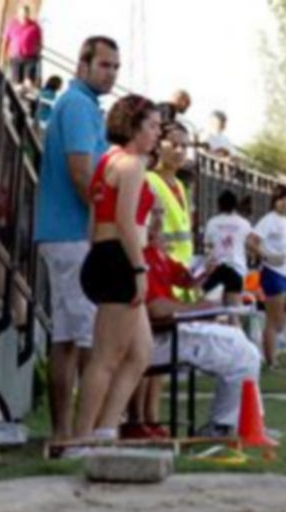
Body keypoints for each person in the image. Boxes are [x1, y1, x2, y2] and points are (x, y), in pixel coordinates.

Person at [34, 35, 119, 442]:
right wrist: (108, 223)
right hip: (74, 235)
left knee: (67, 339)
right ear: (82, 65)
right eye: (105, 65)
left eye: (116, 67)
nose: (112, 73)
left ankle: (64, 434)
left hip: (63, 234)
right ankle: (83, 435)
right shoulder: (78, 106)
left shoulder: (79, 106)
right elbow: (82, 173)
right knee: (89, 339)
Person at [127, 211, 262, 438]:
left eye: (160, 213)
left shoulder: (155, 253)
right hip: (162, 336)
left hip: (172, 330)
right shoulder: (140, 256)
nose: (160, 221)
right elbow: (155, 308)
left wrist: (202, 276)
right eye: (154, 214)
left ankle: (231, 422)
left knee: (242, 345)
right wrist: (198, 309)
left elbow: (184, 278)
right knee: (242, 351)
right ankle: (225, 424)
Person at [73, 94, 161, 442]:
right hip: (120, 260)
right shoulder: (131, 163)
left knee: (140, 353)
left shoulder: (106, 160)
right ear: (133, 127)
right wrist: (138, 270)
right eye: (152, 126)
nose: (157, 134)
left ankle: (106, 428)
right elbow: (124, 220)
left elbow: (94, 220)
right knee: (106, 357)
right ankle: (79, 439)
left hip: (105, 255)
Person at [247, 185, 286, 372]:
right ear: (274, 202)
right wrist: (266, 256)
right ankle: (271, 362)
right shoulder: (269, 220)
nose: (285, 203)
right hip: (273, 273)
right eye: (281, 199)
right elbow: (251, 241)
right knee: (274, 321)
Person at [147, 121, 194, 297]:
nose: (179, 151)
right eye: (174, 145)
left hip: (182, 274)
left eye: (184, 146)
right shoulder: (148, 181)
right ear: (158, 147)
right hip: (160, 272)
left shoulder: (181, 186)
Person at [203, 190, 252, 308]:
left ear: (219, 205)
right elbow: (250, 245)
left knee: (213, 311)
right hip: (237, 270)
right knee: (234, 311)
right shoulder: (244, 223)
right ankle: (235, 325)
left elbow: (207, 247)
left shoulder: (212, 222)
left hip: (216, 269)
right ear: (235, 205)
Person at [1, 3, 42, 87]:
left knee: (28, 83)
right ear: (18, 14)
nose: (24, 15)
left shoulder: (35, 26)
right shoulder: (12, 25)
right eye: (22, 13)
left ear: (28, 14)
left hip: (30, 58)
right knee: (16, 83)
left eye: (25, 13)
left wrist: (37, 53)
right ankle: (16, 98)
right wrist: (4, 57)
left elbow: (39, 42)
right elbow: (6, 41)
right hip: (16, 57)